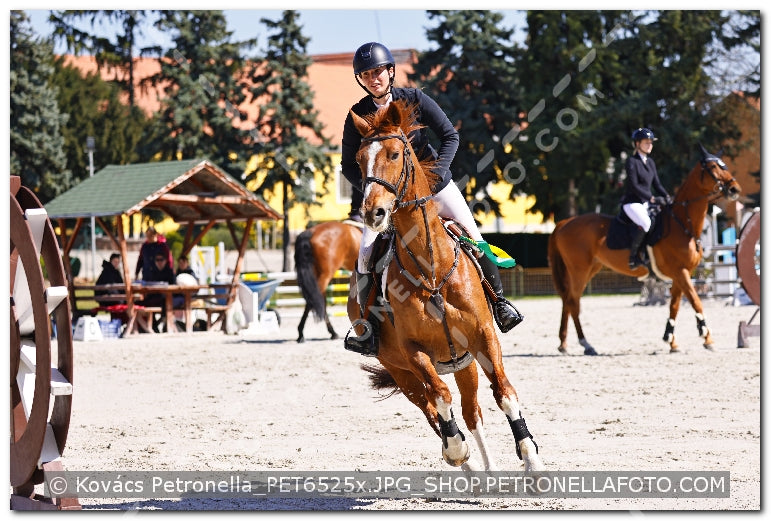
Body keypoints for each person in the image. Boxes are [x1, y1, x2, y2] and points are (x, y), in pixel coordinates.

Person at [340, 41, 523, 357]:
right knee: (365, 255)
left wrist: (434, 176)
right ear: (361, 79)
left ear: (390, 71)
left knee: (475, 238)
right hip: (385, 199)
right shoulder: (357, 115)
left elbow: (451, 136)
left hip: (435, 186)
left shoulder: (414, 99)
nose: (374, 78)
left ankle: (500, 304)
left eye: (378, 71)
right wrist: (373, 192)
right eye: (367, 74)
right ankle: (367, 330)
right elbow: (347, 165)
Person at [622, 128, 672, 268]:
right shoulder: (631, 162)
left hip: (646, 202)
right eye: (646, 142)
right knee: (646, 223)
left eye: (651, 142)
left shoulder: (650, 162)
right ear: (637, 144)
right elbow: (634, 185)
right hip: (632, 202)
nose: (650, 145)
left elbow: (657, 184)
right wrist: (651, 198)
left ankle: (651, 255)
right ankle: (633, 258)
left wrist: (667, 196)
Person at [141, 253, 184, 332]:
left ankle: (168, 326)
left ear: (165, 261)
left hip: (169, 298)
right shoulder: (151, 272)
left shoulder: (170, 272)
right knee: (142, 303)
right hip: (156, 298)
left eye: (161, 260)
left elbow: (174, 287)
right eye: (157, 260)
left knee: (166, 302)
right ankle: (152, 328)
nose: (159, 262)